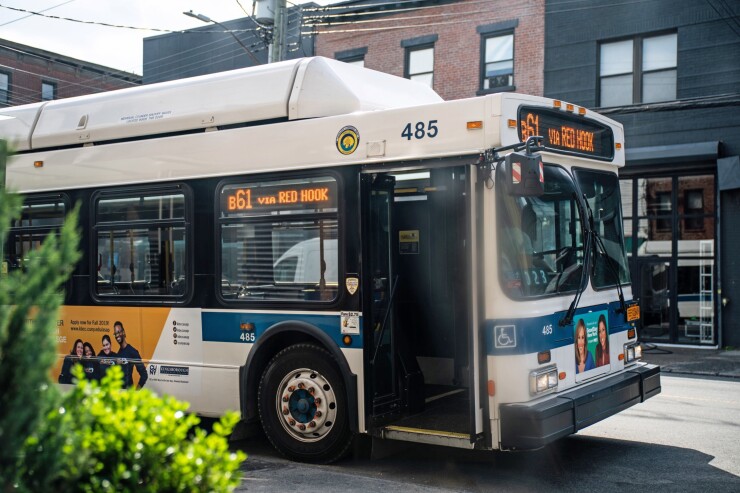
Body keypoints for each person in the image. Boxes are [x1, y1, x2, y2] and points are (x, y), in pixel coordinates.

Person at [113, 321, 148, 389]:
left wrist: (135, 392)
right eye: (115, 334)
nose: (117, 335)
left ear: (123, 332)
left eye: (119, 332)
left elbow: (144, 375)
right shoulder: (118, 353)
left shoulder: (133, 352)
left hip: (129, 393)